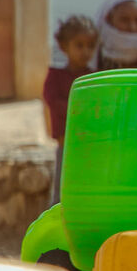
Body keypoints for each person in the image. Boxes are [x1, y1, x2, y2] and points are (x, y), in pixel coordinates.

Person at [43, 14, 98, 200]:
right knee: (61, 195)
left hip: (90, 149)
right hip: (66, 147)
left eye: (90, 46)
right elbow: (54, 102)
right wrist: (81, 111)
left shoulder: (94, 78)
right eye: (79, 45)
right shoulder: (55, 77)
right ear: (64, 46)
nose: (85, 51)